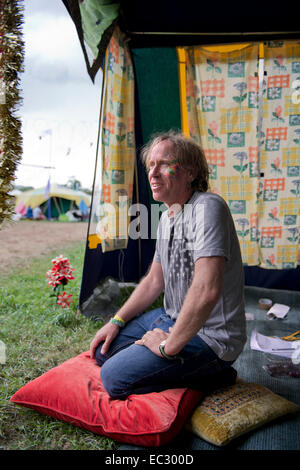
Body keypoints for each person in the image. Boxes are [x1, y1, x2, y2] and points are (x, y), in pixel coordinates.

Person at [90, 131, 246, 399]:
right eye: (151, 165)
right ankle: (185, 369)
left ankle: (215, 375)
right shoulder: (168, 217)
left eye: (164, 163)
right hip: (170, 316)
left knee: (113, 378)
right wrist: (116, 320)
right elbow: (153, 281)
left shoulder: (208, 207)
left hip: (212, 338)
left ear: (190, 172)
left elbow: (207, 289)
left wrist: (166, 347)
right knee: (103, 351)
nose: (153, 172)